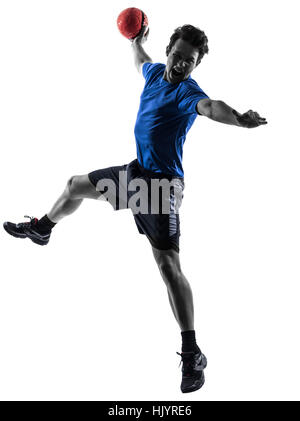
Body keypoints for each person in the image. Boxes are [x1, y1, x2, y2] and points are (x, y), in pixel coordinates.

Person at [3, 24, 267, 393]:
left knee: (168, 266)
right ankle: (43, 228)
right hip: (136, 176)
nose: (179, 65)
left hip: (161, 188)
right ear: (169, 51)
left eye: (188, 62)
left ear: (196, 65)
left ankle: (192, 354)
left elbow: (211, 107)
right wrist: (136, 43)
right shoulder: (156, 72)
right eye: (176, 56)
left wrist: (239, 119)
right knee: (74, 185)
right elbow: (141, 61)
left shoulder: (188, 92)